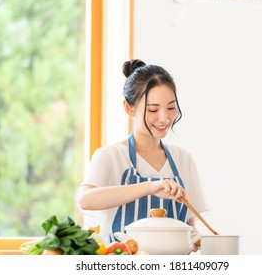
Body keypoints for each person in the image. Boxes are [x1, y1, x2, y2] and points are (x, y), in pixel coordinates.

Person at [76, 59, 209, 247]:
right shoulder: (111, 156)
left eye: (171, 108)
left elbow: (190, 226)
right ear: (128, 107)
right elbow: (85, 200)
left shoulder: (183, 160)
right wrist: (150, 187)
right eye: (153, 109)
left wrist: (201, 242)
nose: (165, 118)